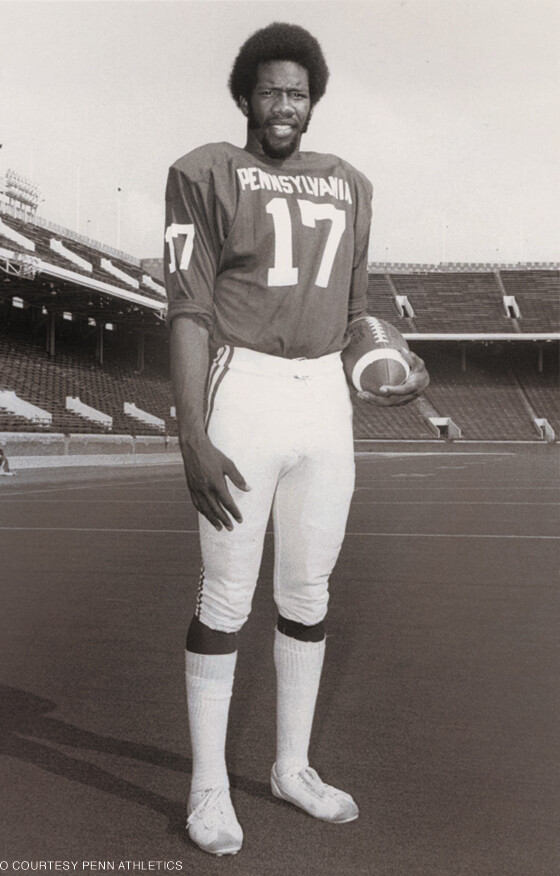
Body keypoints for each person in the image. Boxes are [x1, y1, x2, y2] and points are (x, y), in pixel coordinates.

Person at [164, 22, 429, 856]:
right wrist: (191, 435)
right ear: (245, 97)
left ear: (314, 102)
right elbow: (188, 311)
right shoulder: (203, 171)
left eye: (299, 93)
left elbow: (354, 316)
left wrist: (391, 366)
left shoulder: (351, 184)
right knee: (225, 599)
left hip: (322, 398)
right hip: (240, 386)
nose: (285, 106)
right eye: (272, 91)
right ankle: (209, 788)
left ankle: (290, 765)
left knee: (308, 594)